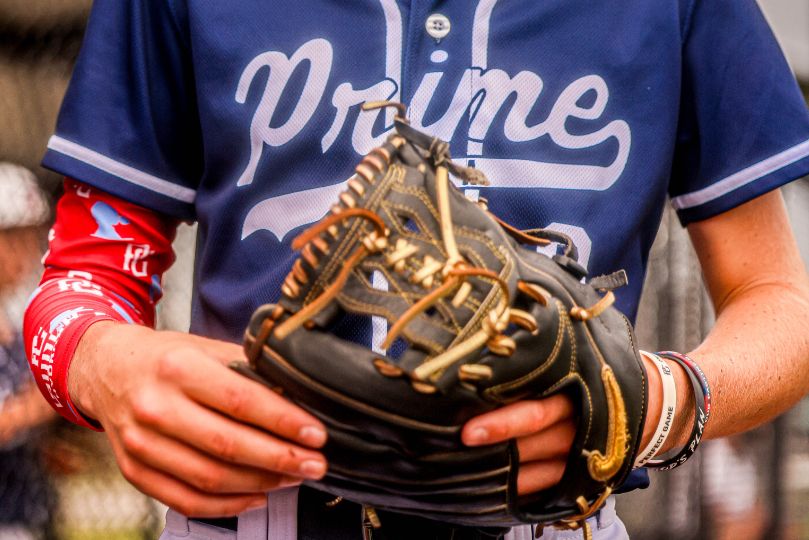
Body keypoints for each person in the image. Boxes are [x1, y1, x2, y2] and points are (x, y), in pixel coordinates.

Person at [22, 1, 809, 539]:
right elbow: (86, 276)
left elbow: (778, 299)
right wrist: (101, 362)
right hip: (252, 505)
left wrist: (654, 402)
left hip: (544, 516)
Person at [0, 163, 58, 540]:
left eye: (31, 237)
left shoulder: (15, 320)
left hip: (24, 509)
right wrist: (37, 406)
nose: (28, 250)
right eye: (15, 238)